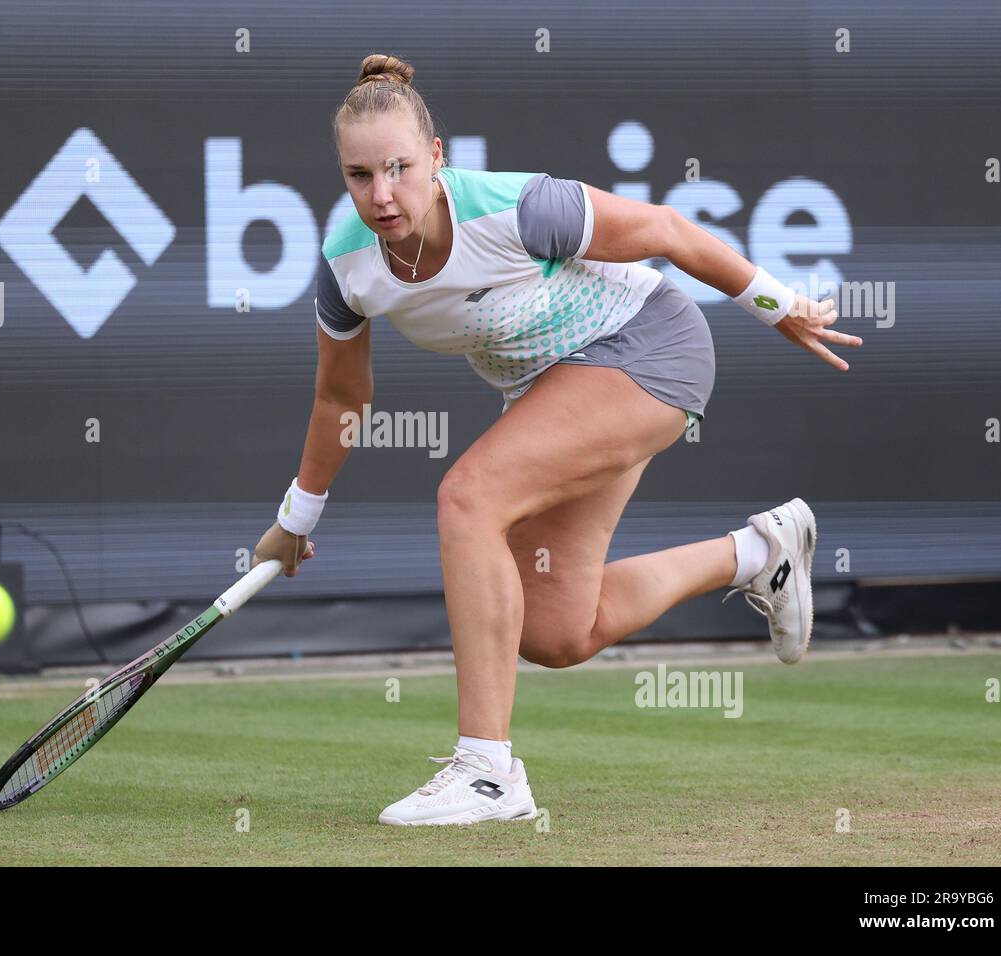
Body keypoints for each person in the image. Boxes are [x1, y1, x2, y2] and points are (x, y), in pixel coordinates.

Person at [252, 54, 862, 826]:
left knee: (468, 497)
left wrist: (779, 306)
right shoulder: (347, 267)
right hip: (557, 391)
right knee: (554, 630)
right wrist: (296, 520)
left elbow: (666, 231)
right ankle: (760, 553)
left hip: (647, 347)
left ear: (436, 158)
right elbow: (342, 394)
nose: (382, 194)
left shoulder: (517, 207)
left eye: (400, 168)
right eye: (360, 175)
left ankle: (486, 770)